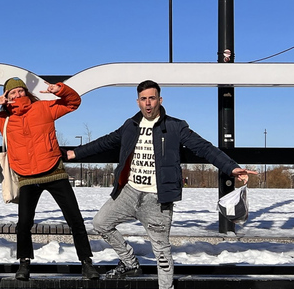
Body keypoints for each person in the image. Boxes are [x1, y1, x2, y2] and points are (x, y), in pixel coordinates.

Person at [67, 80, 257, 289]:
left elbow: (204, 148)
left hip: (158, 198)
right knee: (100, 223)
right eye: (143, 99)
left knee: (162, 252)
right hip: (129, 192)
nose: (148, 103)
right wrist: (75, 153)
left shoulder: (175, 127)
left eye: (152, 98)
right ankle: (130, 263)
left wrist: (231, 167)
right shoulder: (130, 125)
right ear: (138, 102)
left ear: (160, 100)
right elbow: (105, 142)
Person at [0, 78, 99, 281]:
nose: (17, 96)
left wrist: (61, 90)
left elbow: (73, 103)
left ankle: (86, 263)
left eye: (20, 91)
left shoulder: (43, 108)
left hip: (53, 172)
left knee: (75, 218)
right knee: (24, 223)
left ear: (26, 92)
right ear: (7, 97)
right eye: (11, 93)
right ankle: (24, 264)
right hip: (26, 176)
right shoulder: (3, 121)